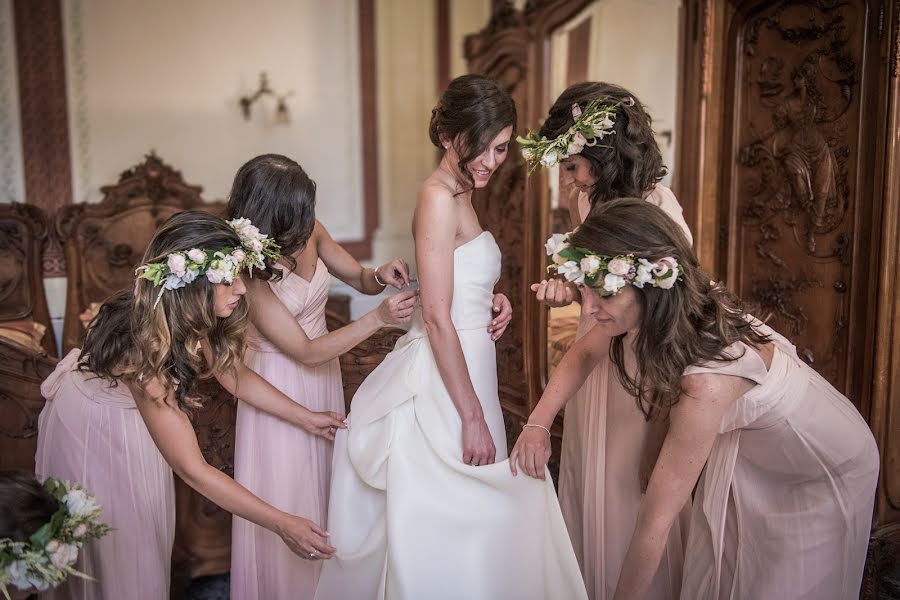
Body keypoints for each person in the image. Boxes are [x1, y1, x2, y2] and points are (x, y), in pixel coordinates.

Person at [512, 198, 880, 599]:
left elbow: (654, 523)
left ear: (651, 285)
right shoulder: (664, 308)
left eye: (602, 294)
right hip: (766, 451)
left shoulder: (707, 382)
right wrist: (538, 423)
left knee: (778, 583)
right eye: (585, 291)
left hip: (821, 467)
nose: (588, 308)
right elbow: (592, 356)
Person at [314, 74, 587, 600]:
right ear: (448, 138)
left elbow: (458, 277)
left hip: (472, 358)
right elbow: (436, 318)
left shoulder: (464, 191)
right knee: (449, 511)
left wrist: (490, 296)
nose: (489, 159)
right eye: (478, 146)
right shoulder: (436, 196)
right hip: (444, 378)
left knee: (474, 510)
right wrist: (472, 416)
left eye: (501, 148)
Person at [35, 212, 346, 599]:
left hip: (137, 416)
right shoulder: (144, 352)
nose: (243, 289)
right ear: (193, 284)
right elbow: (194, 470)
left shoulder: (189, 313)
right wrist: (282, 522)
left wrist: (307, 418)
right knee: (119, 552)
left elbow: (233, 375)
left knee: (146, 539)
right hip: (94, 428)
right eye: (229, 279)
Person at [518, 81, 693, 599]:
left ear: (604, 151)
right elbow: (598, 283)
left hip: (641, 364)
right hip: (595, 353)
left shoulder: (658, 203)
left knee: (628, 487)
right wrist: (566, 287)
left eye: (572, 166)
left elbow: (667, 293)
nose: (567, 182)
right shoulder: (590, 201)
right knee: (587, 476)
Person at [223, 154, 421, 599]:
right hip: (279, 379)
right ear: (268, 211)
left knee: (327, 488)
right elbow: (305, 352)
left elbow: (358, 277)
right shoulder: (248, 270)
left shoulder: (309, 228)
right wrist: (378, 321)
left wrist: (379, 275)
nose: (306, 218)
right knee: (289, 490)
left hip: (323, 373)